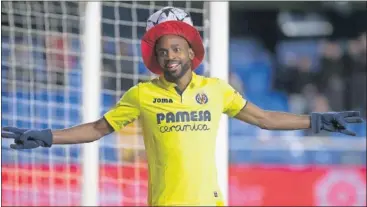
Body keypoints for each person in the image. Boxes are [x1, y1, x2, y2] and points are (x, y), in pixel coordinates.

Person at [1, 7, 363, 206]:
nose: (169, 55)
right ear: (155, 58)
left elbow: (265, 118)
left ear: (191, 52)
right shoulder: (141, 95)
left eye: (175, 48)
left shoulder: (217, 90)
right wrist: (47, 136)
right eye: (162, 50)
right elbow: (98, 129)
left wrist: (317, 122)